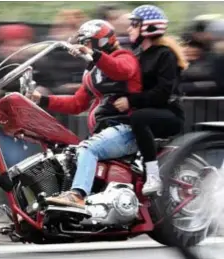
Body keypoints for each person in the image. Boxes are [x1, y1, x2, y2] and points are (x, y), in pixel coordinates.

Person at [27, 19, 142, 208]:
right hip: (106, 132)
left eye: (87, 42)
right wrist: (42, 99)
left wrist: (93, 55)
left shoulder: (125, 57)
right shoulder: (92, 73)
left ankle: (78, 195)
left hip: (127, 129)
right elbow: (77, 103)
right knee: (68, 155)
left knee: (87, 149)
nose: (82, 47)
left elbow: (122, 71)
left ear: (101, 42)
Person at [113, 5, 188, 195]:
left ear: (148, 28)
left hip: (169, 114)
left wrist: (131, 101)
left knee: (139, 117)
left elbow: (162, 93)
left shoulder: (165, 55)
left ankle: (153, 176)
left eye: (134, 24)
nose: (129, 29)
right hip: (147, 110)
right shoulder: (137, 55)